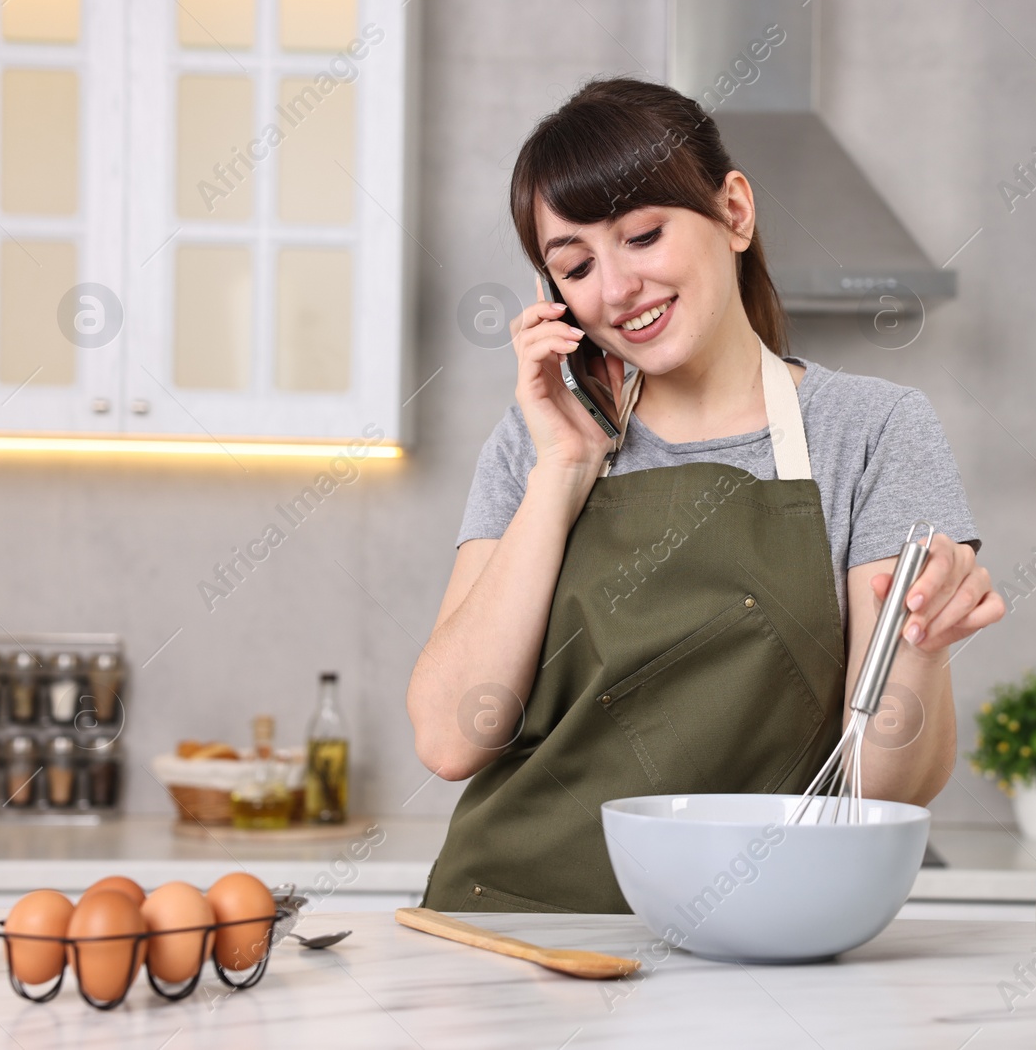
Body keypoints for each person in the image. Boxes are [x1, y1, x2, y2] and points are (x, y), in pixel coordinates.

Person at [406, 76, 1004, 914]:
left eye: (642, 236)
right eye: (575, 265)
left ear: (733, 212)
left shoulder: (872, 432)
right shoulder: (533, 442)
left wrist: (925, 643)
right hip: (511, 926)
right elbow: (448, 737)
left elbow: (882, 784)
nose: (615, 290)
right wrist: (562, 474)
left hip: (757, 932)